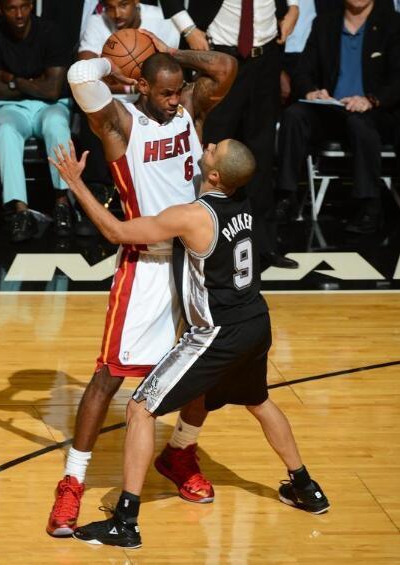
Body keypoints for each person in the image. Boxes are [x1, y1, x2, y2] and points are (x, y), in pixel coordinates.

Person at [50, 138, 330, 549]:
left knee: (140, 408)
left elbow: (116, 232)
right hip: (256, 322)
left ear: (214, 175)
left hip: (217, 333)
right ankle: (305, 487)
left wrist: (75, 183)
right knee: (259, 401)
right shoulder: (242, 200)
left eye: (214, 149)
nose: (209, 143)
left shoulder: (192, 217)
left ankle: (126, 522)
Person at [45, 35, 237, 537]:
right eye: (165, 92)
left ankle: (180, 453)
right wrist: (119, 67)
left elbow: (223, 65)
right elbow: (80, 75)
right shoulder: (121, 123)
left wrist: (168, 52)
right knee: (109, 376)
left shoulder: (190, 108)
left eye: (178, 90)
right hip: (146, 264)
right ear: (144, 88)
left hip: (194, 260)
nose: (175, 100)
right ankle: (73, 481)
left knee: (203, 373)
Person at [159, 0, 301, 270]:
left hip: (266, 57)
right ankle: (204, 242)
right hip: (219, 57)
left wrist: (293, 7)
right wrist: (188, 28)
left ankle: (264, 246)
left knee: (260, 154)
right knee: (211, 154)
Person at [276, 0, 400, 233]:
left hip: (374, 111)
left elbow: (397, 79)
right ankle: (285, 197)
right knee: (294, 115)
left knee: (359, 124)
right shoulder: (325, 23)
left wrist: (371, 100)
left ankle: (370, 205)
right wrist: (311, 91)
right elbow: (303, 72)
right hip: (332, 109)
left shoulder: (392, 24)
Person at [0, 0, 86, 243]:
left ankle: (62, 204)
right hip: (10, 107)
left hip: (51, 106)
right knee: (6, 130)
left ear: (32, 6)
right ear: (0, 10)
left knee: (56, 125)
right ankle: (20, 211)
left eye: (24, 7)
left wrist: (14, 80)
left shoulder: (51, 32)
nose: (19, 14)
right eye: (12, 8)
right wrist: (35, 82)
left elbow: (52, 90)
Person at [77, 0, 180, 190]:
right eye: (110, 7)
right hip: (113, 99)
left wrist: (112, 77)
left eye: (123, 5)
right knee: (90, 108)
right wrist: (132, 87)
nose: (117, 14)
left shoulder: (161, 19)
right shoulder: (97, 22)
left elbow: (169, 72)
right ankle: (99, 187)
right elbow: (85, 71)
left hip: (149, 100)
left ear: (136, 2)